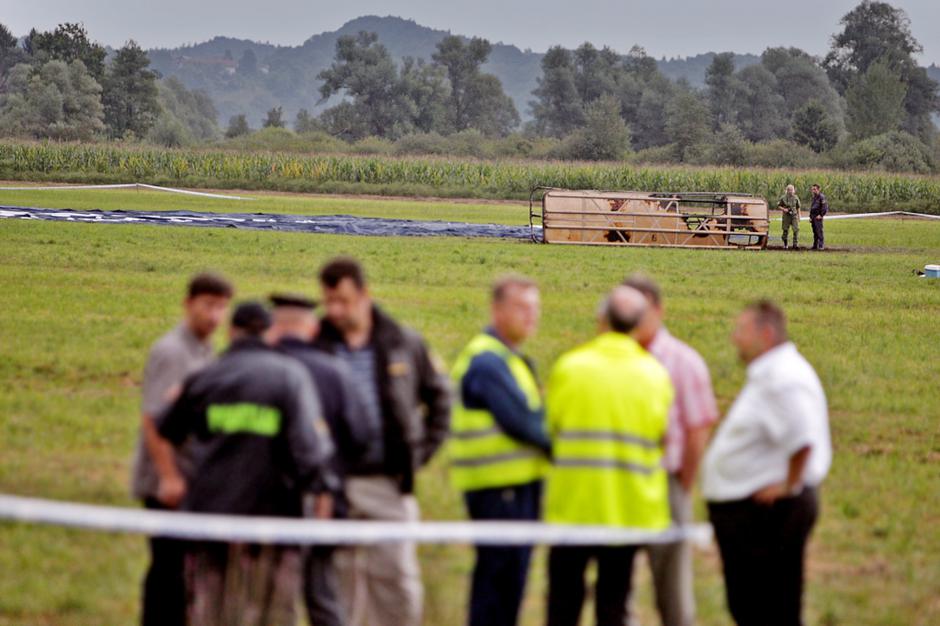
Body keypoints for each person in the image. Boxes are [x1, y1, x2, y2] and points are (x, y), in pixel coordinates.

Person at [155, 301, 338, 626]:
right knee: (274, 614)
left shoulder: (206, 375)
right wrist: (323, 499)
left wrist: (173, 479)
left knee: (209, 613)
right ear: (270, 333)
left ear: (232, 332)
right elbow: (311, 451)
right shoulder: (290, 376)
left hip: (208, 521)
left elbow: (166, 429)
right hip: (275, 524)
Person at [313, 256, 451, 626]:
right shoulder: (316, 344)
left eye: (343, 300)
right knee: (339, 589)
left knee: (396, 585)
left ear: (365, 294)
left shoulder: (402, 341)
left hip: (388, 485)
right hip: (333, 487)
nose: (335, 310)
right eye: (329, 301)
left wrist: (416, 456)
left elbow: (441, 399)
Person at [543, 286, 673, 626]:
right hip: (628, 508)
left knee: (563, 602)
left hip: (574, 504)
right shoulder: (655, 375)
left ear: (601, 319)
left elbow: (552, 428)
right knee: (614, 602)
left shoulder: (570, 367)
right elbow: (663, 436)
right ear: (638, 324)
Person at [702, 300, 832, 626]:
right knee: (754, 608)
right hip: (757, 511)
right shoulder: (773, 372)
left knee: (768, 609)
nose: (734, 338)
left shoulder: (783, 378)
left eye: (741, 331)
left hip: (768, 513)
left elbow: (803, 439)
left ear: (766, 334)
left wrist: (789, 485)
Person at [131, 271, 232, 626]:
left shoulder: (205, 349)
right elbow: (153, 420)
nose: (215, 316)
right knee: (168, 573)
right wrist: (169, 476)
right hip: (167, 482)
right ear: (188, 304)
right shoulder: (172, 352)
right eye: (208, 305)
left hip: (190, 478)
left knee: (184, 573)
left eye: (221, 308)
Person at [450, 275, 552, 626]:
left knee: (505, 585)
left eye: (535, 308)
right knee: (499, 588)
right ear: (496, 310)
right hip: (500, 491)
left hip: (512, 488)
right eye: (521, 308)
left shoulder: (509, 359)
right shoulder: (488, 362)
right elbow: (525, 423)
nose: (531, 316)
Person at [268, 293, 374, 626]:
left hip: (266, 501)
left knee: (274, 601)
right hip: (323, 499)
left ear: (274, 327)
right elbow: (361, 435)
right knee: (324, 599)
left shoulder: (261, 368)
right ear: (312, 327)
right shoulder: (335, 372)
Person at [624, 275, 719, 626]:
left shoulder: (682, 361)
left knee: (673, 590)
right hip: (622, 483)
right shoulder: (618, 359)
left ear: (660, 310)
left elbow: (699, 428)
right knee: (618, 589)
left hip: (667, 481)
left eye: (643, 310)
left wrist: (684, 481)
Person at [777, 184, 801, 250]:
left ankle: (795, 245)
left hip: (794, 215)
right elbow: (779, 205)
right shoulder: (783, 198)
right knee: (785, 230)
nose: (790, 191)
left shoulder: (796, 198)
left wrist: (799, 216)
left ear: (794, 191)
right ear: (786, 190)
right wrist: (784, 209)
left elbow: (798, 207)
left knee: (796, 229)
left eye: (791, 190)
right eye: (789, 190)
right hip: (786, 216)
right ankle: (785, 244)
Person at [809, 184, 829, 250]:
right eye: (812, 189)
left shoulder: (821, 197)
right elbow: (812, 208)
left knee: (819, 231)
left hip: (818, 217)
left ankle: (821, 246)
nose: (813, 191)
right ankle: (815, 245)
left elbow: (825, 208)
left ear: (818, 189)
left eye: (814, 189)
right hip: (813, 216)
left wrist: (821, 215)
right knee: (815, 232)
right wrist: (810, 217)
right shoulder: (814, 197)